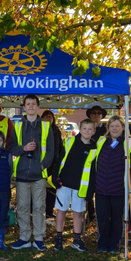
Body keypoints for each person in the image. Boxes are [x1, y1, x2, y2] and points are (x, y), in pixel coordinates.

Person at [8, 94, 54, 251]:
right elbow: (12, 147)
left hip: (39, 174)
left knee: (39, 207)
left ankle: (39, 238)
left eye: (34, 104)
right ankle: (24, 237)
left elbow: (51, 150)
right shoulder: (18, 126)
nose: (31, 106)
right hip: (22, 174)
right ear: (24, 107)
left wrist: (43, 166)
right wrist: (23, 149)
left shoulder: (47, 126)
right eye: (28, 104)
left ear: (38, 106)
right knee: (22, 206)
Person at [92, 115, 131, 253]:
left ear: (123, 128)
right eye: (112, 126)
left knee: (117, 219)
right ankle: (102, 243)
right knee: (102, 217)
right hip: (101, 187)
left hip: (120, 189)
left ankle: (115, 244)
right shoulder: (101, 141)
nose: (114, 129)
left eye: (117, 126)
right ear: (108, 128)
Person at [52, 118, 97, 252]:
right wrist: (55, 179)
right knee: (62, 211)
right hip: (64, 183)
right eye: (84, 128)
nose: (87, 131)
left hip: (81, 187)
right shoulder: (70, 142)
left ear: (94, 131)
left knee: (78, 213)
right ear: (80, 129)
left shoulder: (95, 148)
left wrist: (91, 190)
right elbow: (59, 162)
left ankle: (77, 239)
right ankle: (58, 237)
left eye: (90, 129)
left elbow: (93, 171)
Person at [85, 105, 107, 223]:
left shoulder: (106, 130)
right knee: (88, 191)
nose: (96, 115)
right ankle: (90, 215)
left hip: (103, 164)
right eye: (94, 113)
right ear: (90, 115)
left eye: (99, 113)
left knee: (100, 191)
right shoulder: (85, 129)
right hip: (88, 164)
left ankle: (100, 216)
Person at [41, 109, 63, 219]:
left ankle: (49, 210)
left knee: (51, 188)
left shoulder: (56, 130)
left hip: (54, 163)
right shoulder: (39, 129)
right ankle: (40, 210)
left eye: (50, 117)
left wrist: (59, 160)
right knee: (41, 188)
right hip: (42, 163)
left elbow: (60, 146)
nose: (48, 119)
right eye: (46, 116)